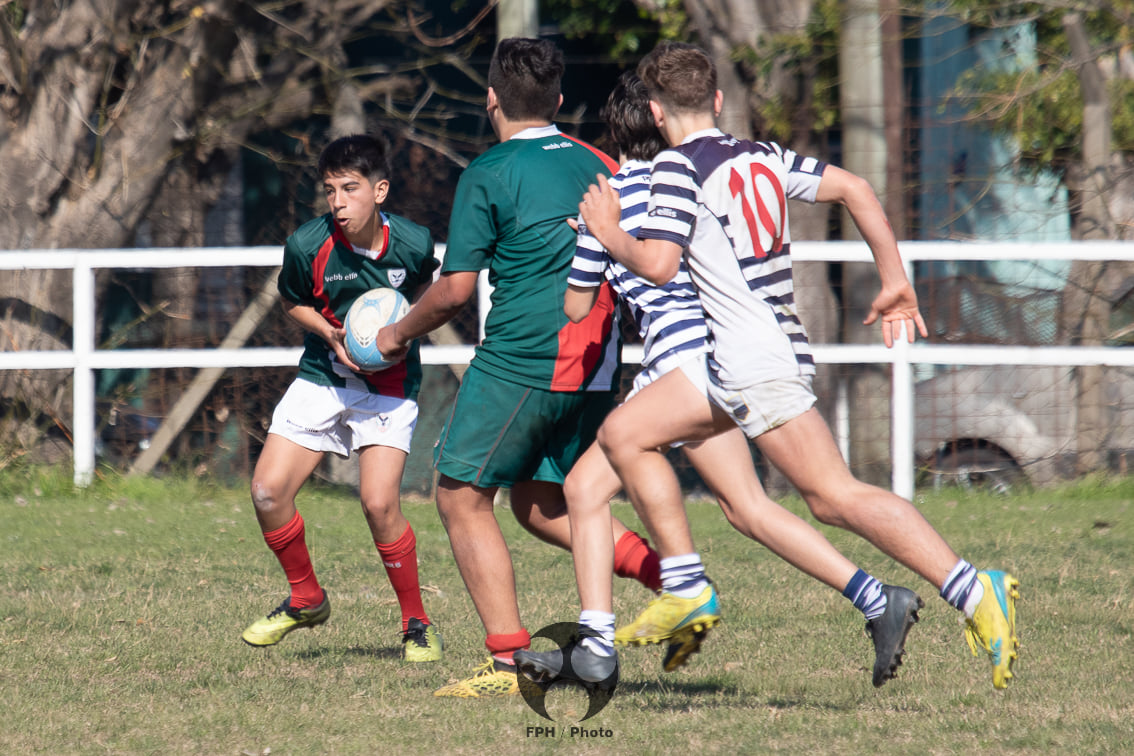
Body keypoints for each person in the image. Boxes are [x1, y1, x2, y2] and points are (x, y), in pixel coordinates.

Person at [575, 42, 1020, 690]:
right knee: (625, 437)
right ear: (719, 100)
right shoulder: (757, 154)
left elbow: (660, 266)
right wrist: (895, 279)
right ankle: (686, 582)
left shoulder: (675, 167)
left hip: (751, 358)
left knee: (834, 497)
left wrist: (609, 231)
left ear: (655, 109)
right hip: (741, 357)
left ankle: (976, 590)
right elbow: (855, 188)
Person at [514, 72, 923, 691]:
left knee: (588, 485)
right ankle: (873, 598)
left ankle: (663, 597)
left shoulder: (612, 197)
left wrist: (577, 243)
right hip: (723, 355)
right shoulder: (696, 177)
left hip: (677, 364)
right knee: (747, 507)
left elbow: (576, 309)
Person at [374, 38, 661, 698]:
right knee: (539, 504)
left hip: (527, 358)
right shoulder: (600, 160)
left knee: (460, 494)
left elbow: (453, 289)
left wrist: (394, 333)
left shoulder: (490, 172)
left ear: (491, 99)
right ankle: (671, 579)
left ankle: (508, 661)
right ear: (559, 103)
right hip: (598, 362)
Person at [240, 134, 443, 664]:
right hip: (323, 376)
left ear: (379, 191)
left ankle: (416, 623)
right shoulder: (308, 245)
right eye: (330, 190)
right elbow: (292, 301)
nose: (338, 202)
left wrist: (398, 335)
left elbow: (424, 293)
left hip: (390, 386)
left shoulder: (415, 244)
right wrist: (332, 336)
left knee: (378, 504)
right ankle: (306, 597)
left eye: (350, 189)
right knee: (266, 491)